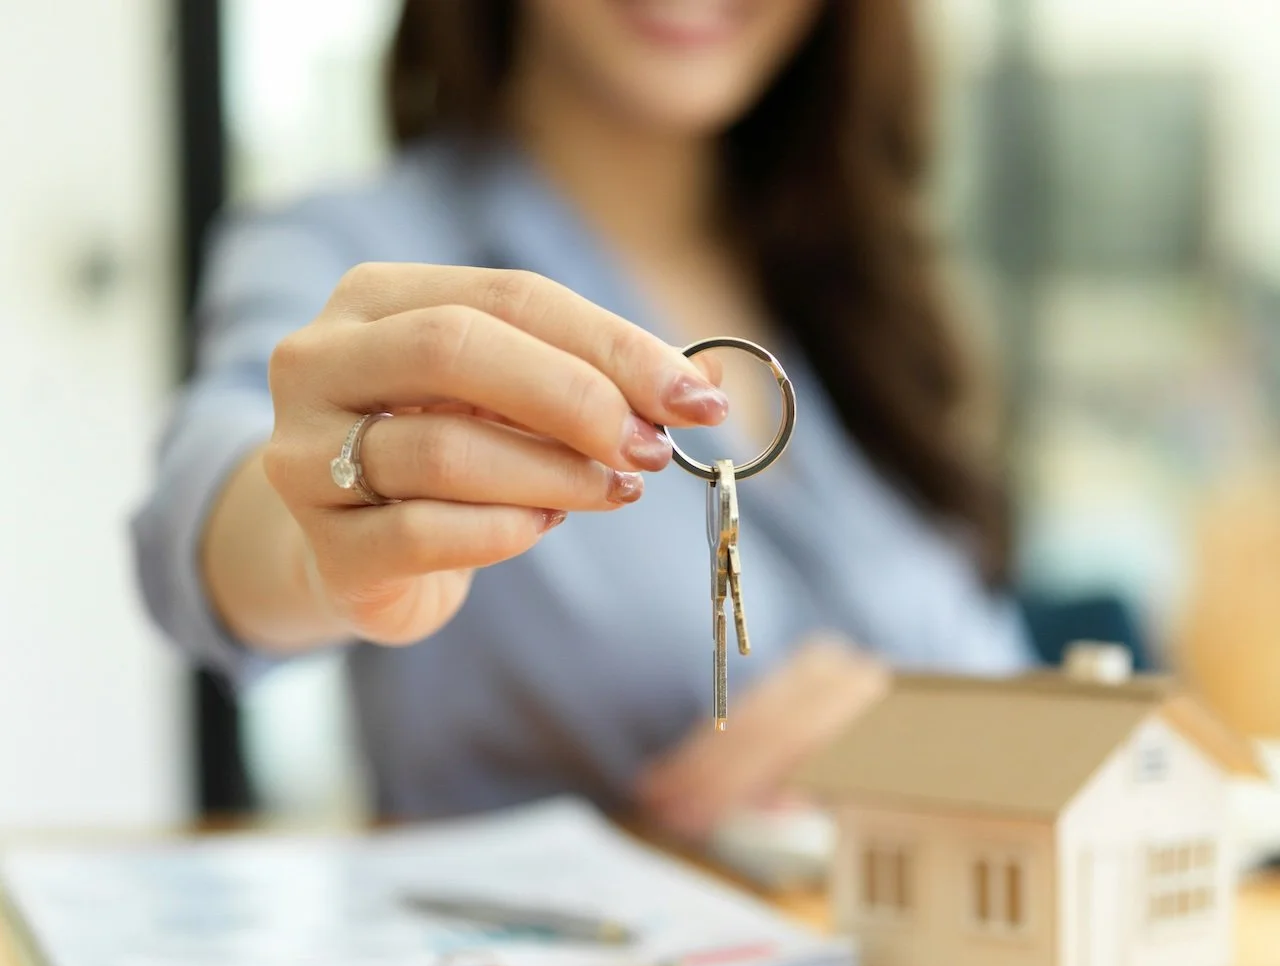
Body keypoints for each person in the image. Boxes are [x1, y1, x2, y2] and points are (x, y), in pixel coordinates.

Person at [132, 0, 1034, 841]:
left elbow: (1019, 696)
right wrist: (321, 538)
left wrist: (926, 740)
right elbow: (203, 513)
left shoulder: (863, 288)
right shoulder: (346, 245)